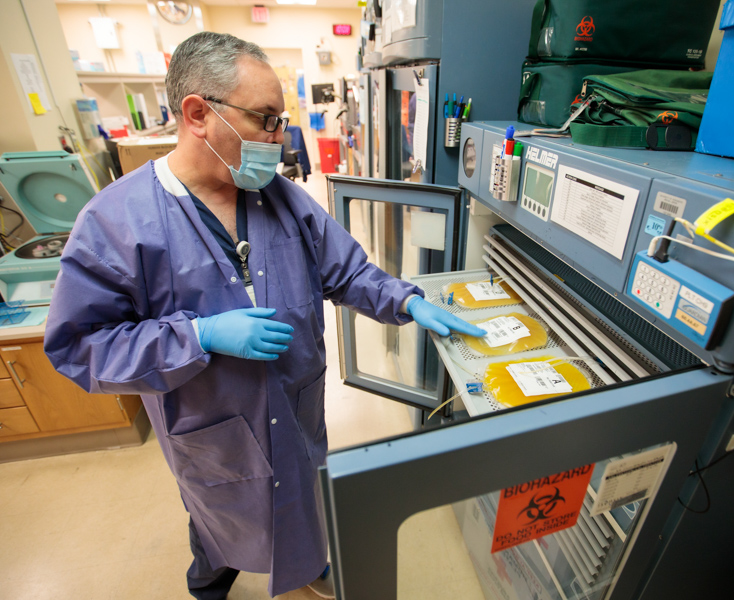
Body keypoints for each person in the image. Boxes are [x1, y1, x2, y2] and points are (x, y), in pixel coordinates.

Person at [43, 32, 485, 600]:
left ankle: (309, 564)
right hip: (213, 434)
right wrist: (198, 335)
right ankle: (211, 580)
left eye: (280, 122)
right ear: (199, 114)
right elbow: (81, 346)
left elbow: (346, 273)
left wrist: (406, 300)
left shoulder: (280, 199)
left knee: (303, 501)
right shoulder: (115, 223)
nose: (278, 140)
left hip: (296, 412)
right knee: (218, 521)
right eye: (266, 120)